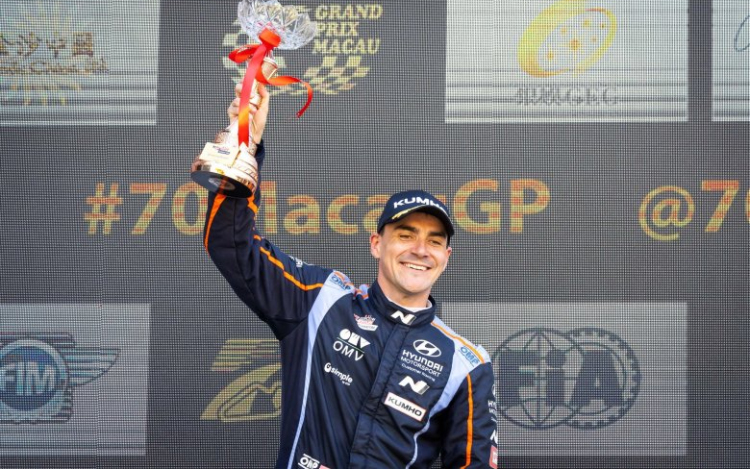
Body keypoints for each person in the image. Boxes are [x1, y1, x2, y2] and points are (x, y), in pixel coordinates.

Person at [202, 82, 498, 468]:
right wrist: (246, 148)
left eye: (434, 241)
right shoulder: (320, 300)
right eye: (405, 235)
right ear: (376, 244)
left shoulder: (466, 363)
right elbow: (232, 245)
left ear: (446, 257)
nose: (420, 250)